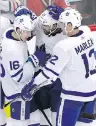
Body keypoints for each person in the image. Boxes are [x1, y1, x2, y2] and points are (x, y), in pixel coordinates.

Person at [21, 8, 96, 126]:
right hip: (91, 93)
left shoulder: (63, 46)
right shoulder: (88, 34)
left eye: (63, 23)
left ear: (70, 25)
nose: (61, 27)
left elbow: (49, 75)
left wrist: (32, 86)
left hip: (73, 96)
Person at [0, 14, 47, 126]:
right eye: (26, 31)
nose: (29, 35)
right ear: (18, 30)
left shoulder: (9, 33)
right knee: (21, 122)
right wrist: (35, 60)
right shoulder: (12, 50)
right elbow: (19, 77)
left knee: (35, 116)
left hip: (15, 84)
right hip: (18, 91)